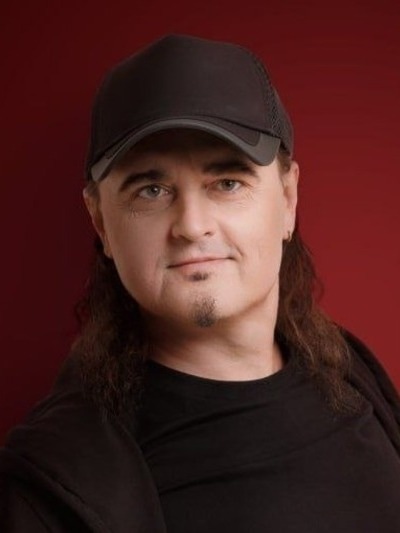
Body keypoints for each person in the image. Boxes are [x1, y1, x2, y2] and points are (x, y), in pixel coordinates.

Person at [1, 34, 400, 533]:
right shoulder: (58, 484)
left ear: (288, 198)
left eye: (228, 183)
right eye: (152, 190)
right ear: (100, 221)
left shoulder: (351, 372)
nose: (191, 225)